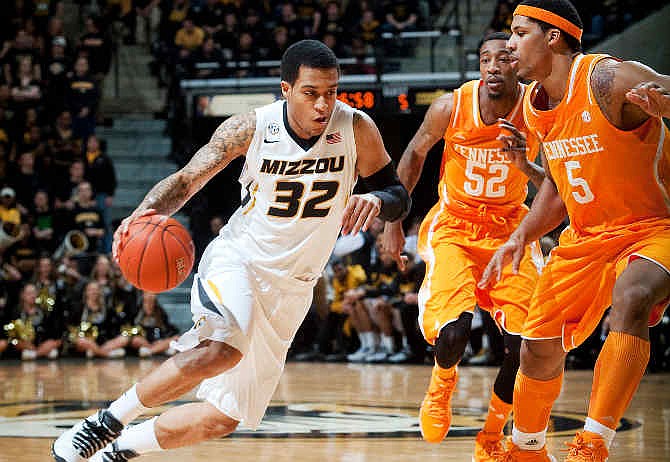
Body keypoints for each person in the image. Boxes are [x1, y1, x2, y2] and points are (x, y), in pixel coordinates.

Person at [52, 39, 410, 462]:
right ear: (285, 88)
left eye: (331, 92)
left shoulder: (355, 128)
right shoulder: (253, 127)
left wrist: (379, 202)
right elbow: (187, 180)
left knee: (224, 416)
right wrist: (145, 212)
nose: (322, 105)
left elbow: (396, 193)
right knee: (223, 349)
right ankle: (106, 423)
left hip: (293, 287)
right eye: (311, 93)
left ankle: (118, 452)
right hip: (239, 260)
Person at [477, 1, 670, 460]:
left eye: (520, 33)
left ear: (553, 37)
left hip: (653, 226)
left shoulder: (606, 78)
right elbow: (561, 187)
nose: (508, 44)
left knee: (632, 296)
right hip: (585, 238)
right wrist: (521, 235)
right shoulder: (534, 104)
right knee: (536, 350)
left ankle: (592, 443)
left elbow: (665, 87)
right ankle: (527, 450)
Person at [382, 32, 545, 461]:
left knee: (526, 345)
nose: (494, 65)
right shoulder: (450, 106)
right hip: (455, 226)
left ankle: (492, 432)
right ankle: (440, 386)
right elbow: (415, 155)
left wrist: (524, 165)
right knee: (454, 332)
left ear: (519, 64)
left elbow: (557, 188)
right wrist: (394, 220)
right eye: (485, 58)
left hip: (510, 230)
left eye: (504, 57)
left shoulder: (540, 108)